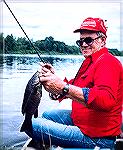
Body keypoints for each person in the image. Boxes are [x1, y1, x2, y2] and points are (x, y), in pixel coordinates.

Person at [25, 17, 123, 149]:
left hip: (96, 137)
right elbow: (75, 86)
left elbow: (105, 100)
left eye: (88, 40)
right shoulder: (90, 62)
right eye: (80, 41)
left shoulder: (107, 62)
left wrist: (64, 88)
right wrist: (55, 82)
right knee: (47, 115)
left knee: (31, 125)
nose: (83, 44)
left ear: (103, 40)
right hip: (83, 122)